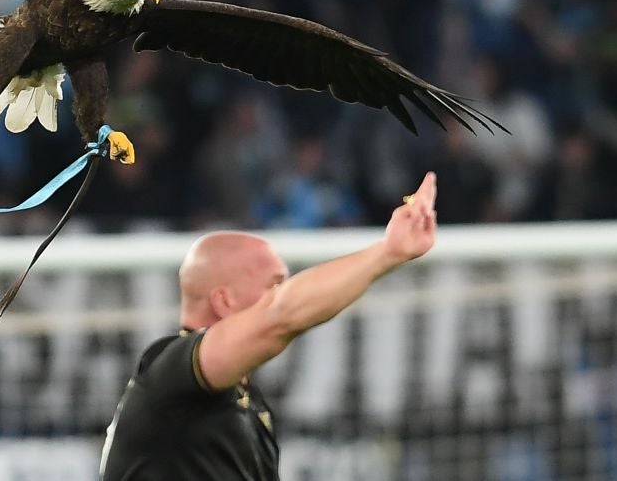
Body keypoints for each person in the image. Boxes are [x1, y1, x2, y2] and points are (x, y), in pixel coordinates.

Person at [99, 172, 438, 480]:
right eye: (275, 285)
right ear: (224, 301)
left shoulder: (245, 400)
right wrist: (387, 253)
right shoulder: (170, 375)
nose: (283, 295)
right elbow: (280, 316)